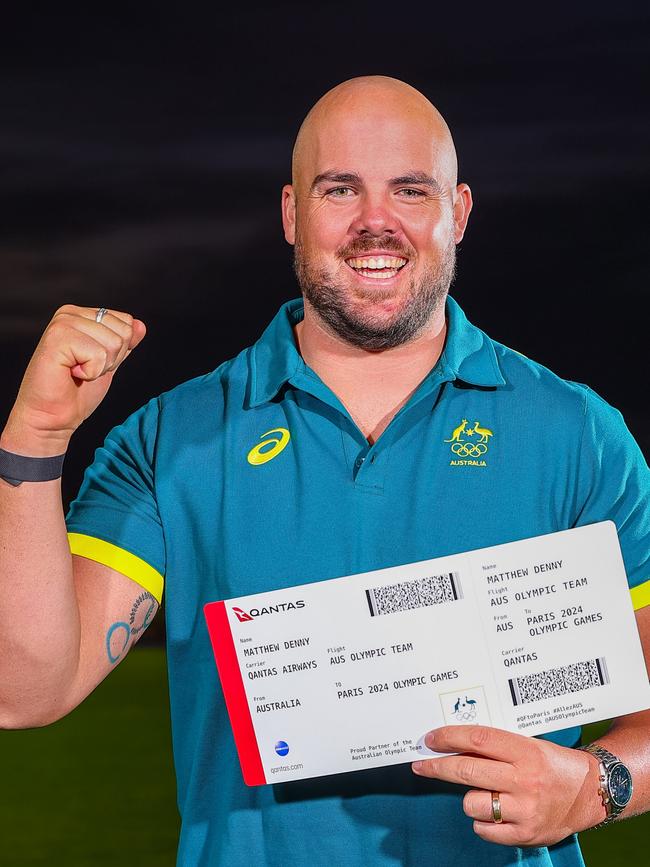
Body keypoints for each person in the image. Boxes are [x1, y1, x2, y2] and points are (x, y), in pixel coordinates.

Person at [1, 76, 648, 867]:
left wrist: (596, 782)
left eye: (411, 189)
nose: (376, 221)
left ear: (461, 212)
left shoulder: (577, 434)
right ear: (290, 213)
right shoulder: (173, 438)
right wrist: (35, 440)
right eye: (340, 188)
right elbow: (23, 690)